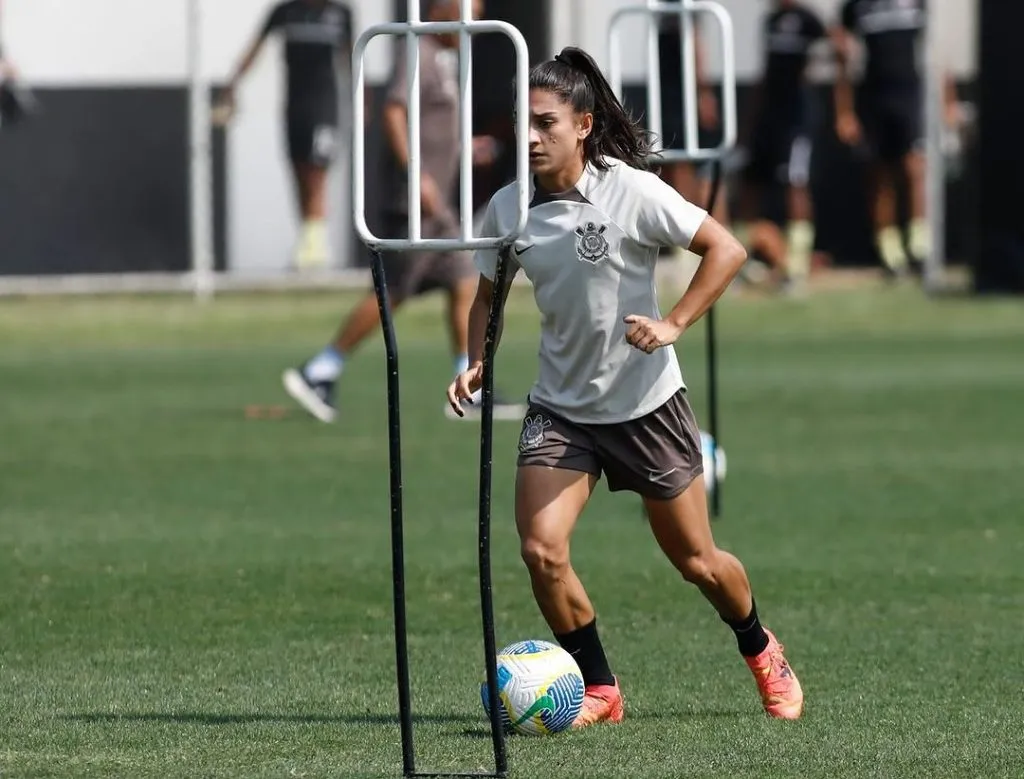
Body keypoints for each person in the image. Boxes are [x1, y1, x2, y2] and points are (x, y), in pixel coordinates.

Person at [447, 47, 803, 727]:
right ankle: (600, 687)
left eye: (545, 122)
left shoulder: (630, 190)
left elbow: (727, 249)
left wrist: (675, 322)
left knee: (698, 562)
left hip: (646, 406)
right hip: (561, 408)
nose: (529, 135)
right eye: (524, 120)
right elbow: (487, 294)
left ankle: (761, 647)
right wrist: (477, 357)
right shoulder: (508, 206)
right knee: (541, 550)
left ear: (582, 125)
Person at [282, 0, 524, 424]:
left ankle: (467, 385)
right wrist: (418, 176)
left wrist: (468, 149)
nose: (478, 22)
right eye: (473, 10)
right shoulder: (418, 51)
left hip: (435, 205)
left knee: (465, 281)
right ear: (449, 9)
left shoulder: (445, 60)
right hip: (414, 204)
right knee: (393, 292)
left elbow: (431, 125)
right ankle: (320, 369)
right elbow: (395, 112)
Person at [217, 0, 354, 270]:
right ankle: (309, 237)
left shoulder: (340, 14)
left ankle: (315, 244)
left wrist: (363, 99)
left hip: (324, 105)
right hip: (294, 105)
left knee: (317, 171)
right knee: (299, 170)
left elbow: (351, 57)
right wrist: (233, 83)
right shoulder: (285, 12)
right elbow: (254, 48)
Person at [833, 0, 959, 277]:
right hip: (873, 98)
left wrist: (949, 100)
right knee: (880, 176)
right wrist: (844, 111)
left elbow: (937, 53)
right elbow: (844, 61)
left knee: (915, 167)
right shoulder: (855, 8)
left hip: (911, 96)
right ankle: (890, 251)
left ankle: (920, 244)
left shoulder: (918, 5)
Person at [736, 0, 828, 290]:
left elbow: (837, 50)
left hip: (797, 117)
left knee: (795, 182)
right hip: (769, 116)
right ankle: (744, 256)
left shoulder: (809, 20)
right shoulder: (771, 21)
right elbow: (766, 70)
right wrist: (750, 121)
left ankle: (796, 265)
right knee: (750, 182)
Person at [656, 6, 728, 228]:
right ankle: (688, 234)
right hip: (669, 95)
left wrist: (703, 92)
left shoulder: (685, 9)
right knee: (676, 160)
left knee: (698, 163)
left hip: (685, 96)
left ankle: (712, 229)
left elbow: (695, 40)